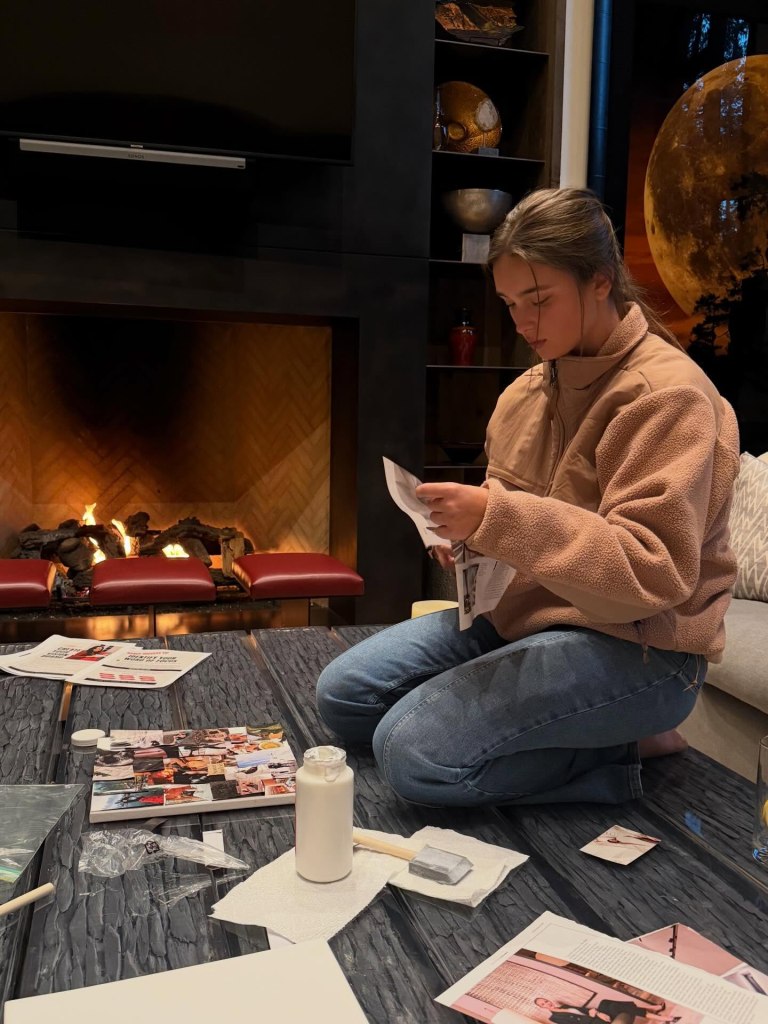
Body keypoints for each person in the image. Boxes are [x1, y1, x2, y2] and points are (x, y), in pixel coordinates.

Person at [316, 187, 740, 807]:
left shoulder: (666, 397)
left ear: (601, 281)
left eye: (539, 300)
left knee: (414, 755)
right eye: (511, 303)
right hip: (523, 619)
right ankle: (541, 732)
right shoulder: (525, 393)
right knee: (344, 697)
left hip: (642, 649)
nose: (522, 324)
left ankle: (622, 753)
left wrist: (496, 517)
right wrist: (468, 542)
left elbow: (653, 571)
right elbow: (513, 530)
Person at [533, 998, 678, 1024]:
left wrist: (597, 1012)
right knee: (615, 1007)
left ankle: (664, 1018)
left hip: (595, 1016)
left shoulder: (564, 1006)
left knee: (606, 1004)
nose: (547, 1003)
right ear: (542, 1008)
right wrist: (595, 1017)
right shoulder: (554, 1018)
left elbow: (585, 1010)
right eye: (543, 1004)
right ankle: (658, 1012)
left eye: (545, 1001)